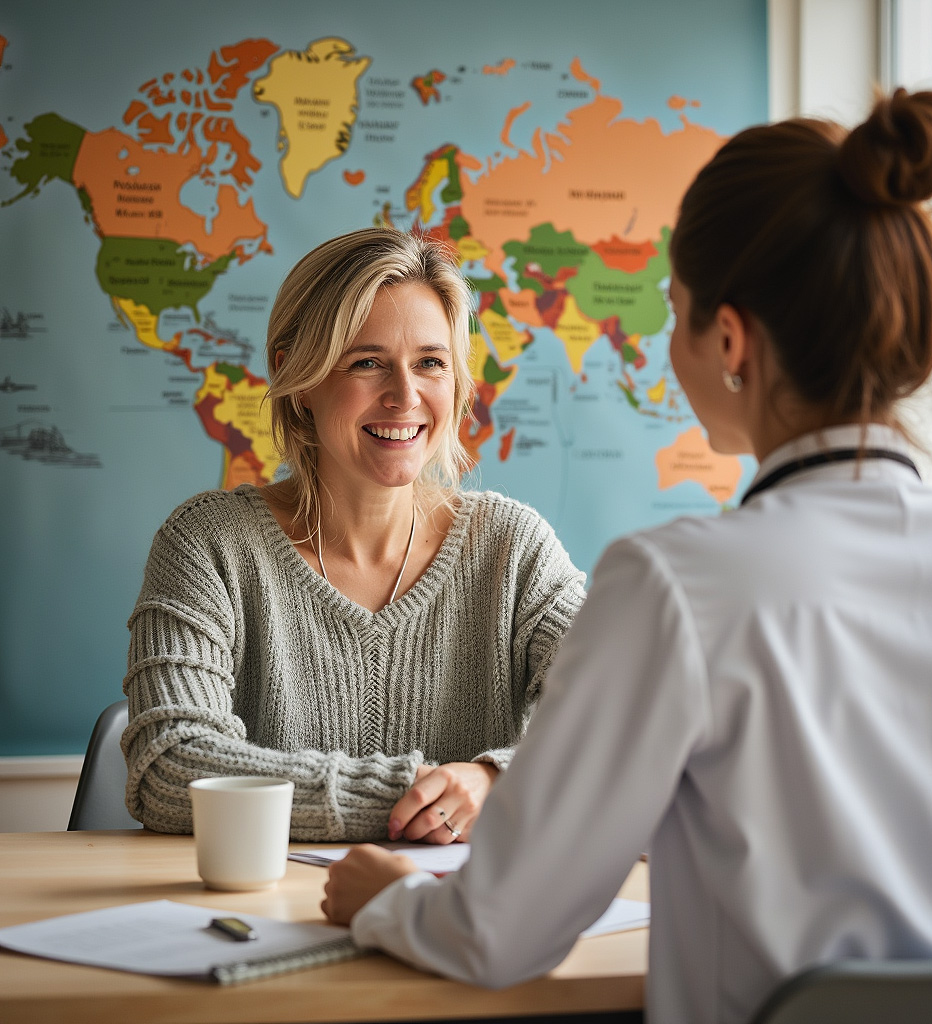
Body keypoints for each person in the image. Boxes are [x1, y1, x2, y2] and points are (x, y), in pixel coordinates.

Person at [321, 89, 932, 1023]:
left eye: (676, 310)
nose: (666, 338)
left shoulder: (676, 586)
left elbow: (498, 933)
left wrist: (385, 900)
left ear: (729, 338)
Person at [121, 227, 586, 843]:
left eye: (430, 363)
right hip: (263, 922)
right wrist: (421, 802)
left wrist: (497, 782)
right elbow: (169, 764)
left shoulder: (514, 548)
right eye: (366, 362)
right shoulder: (207, 545)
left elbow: (628, 720)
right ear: (299, 378)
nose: (405, 395)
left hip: (457, 928)